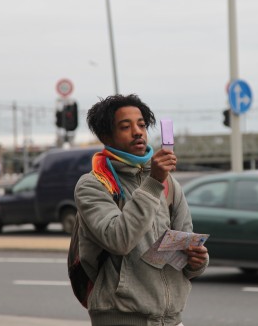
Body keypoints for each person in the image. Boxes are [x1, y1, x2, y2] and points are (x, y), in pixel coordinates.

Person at [74, 94, 209, 326]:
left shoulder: (169, 183)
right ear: (106, 136)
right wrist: (153, 182)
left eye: (142, 125)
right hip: (121, 318)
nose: (137, 132)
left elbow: (184, 247)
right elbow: (119, 239)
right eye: (125, 126)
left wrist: (197, 262)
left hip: (171, 319)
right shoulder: (94, 184)